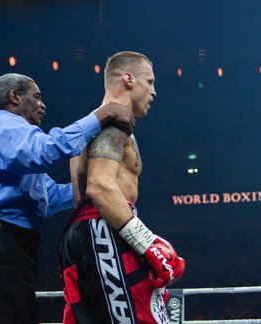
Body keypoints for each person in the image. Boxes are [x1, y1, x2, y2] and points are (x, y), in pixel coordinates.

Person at [0, 72, 135, 324]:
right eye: (37, 97)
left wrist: (101, 184)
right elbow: (47, 149)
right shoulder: (5, 125)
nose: (43, 105)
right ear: (15, 97)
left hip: (9, 247)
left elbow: (49, 196)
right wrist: (100, 116)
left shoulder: (15, 145)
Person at [58, 51, 185, 324]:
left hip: (87, 233)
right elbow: (100, 185)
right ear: (128, 79)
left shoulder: (90, 123)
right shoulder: (114, 123)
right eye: (149, 82)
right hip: (102, 230)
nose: (154, 91)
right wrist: (147, 243)